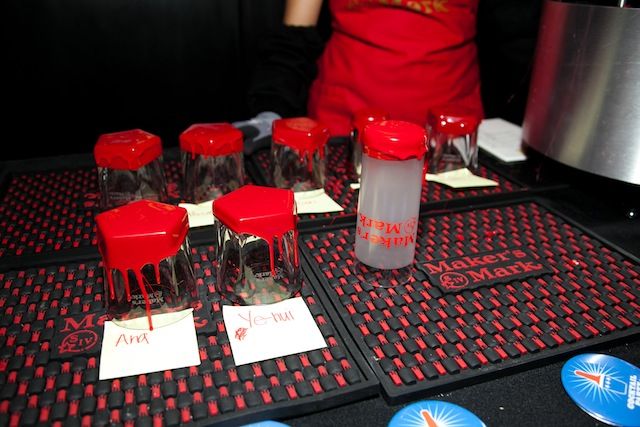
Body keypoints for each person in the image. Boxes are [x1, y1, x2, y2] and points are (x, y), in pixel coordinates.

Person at [234, 0, 484, 152]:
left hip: (451, 139)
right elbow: (295, 36)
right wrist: (271, 110)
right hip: (342, 136)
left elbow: (506, 35)